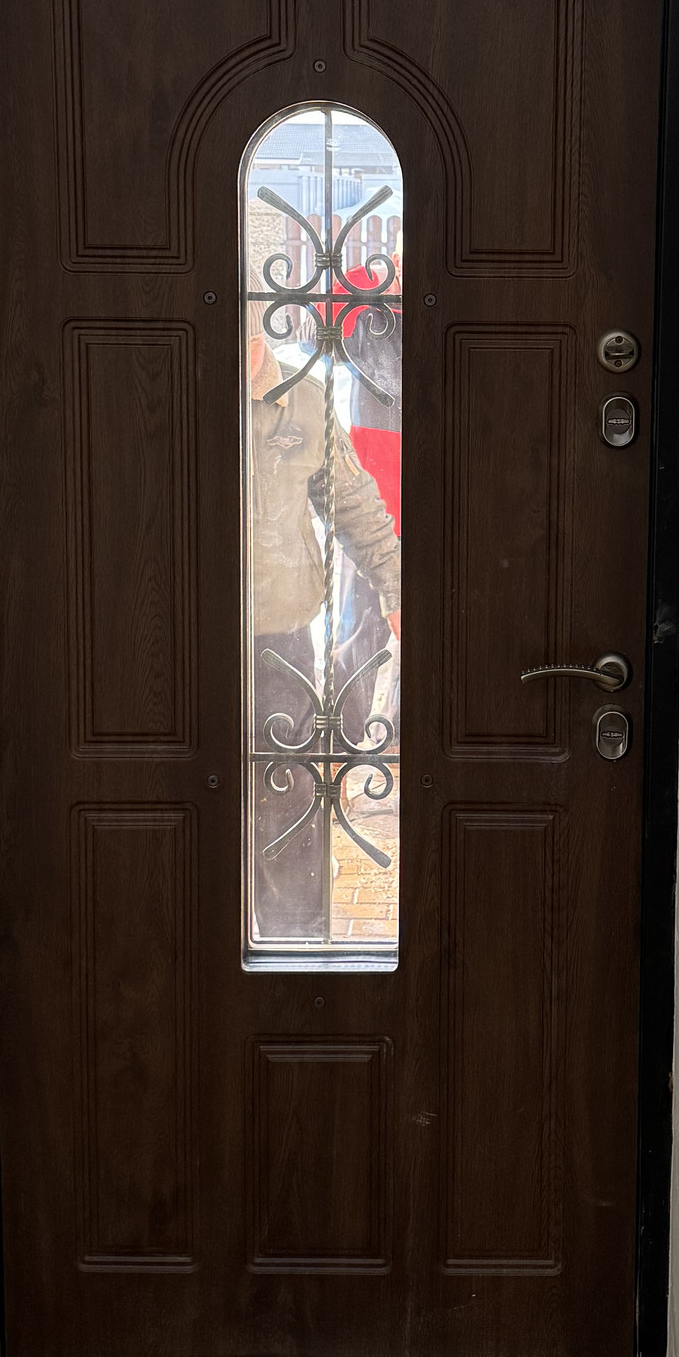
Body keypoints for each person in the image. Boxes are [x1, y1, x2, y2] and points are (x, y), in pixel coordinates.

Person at [247, 326, 401, 941]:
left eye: (249, 339)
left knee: (287, 789)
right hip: (185, 638)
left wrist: (395, 587)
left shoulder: (304, 400)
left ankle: (296, 945)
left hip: (280, 641)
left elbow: (353, 503)